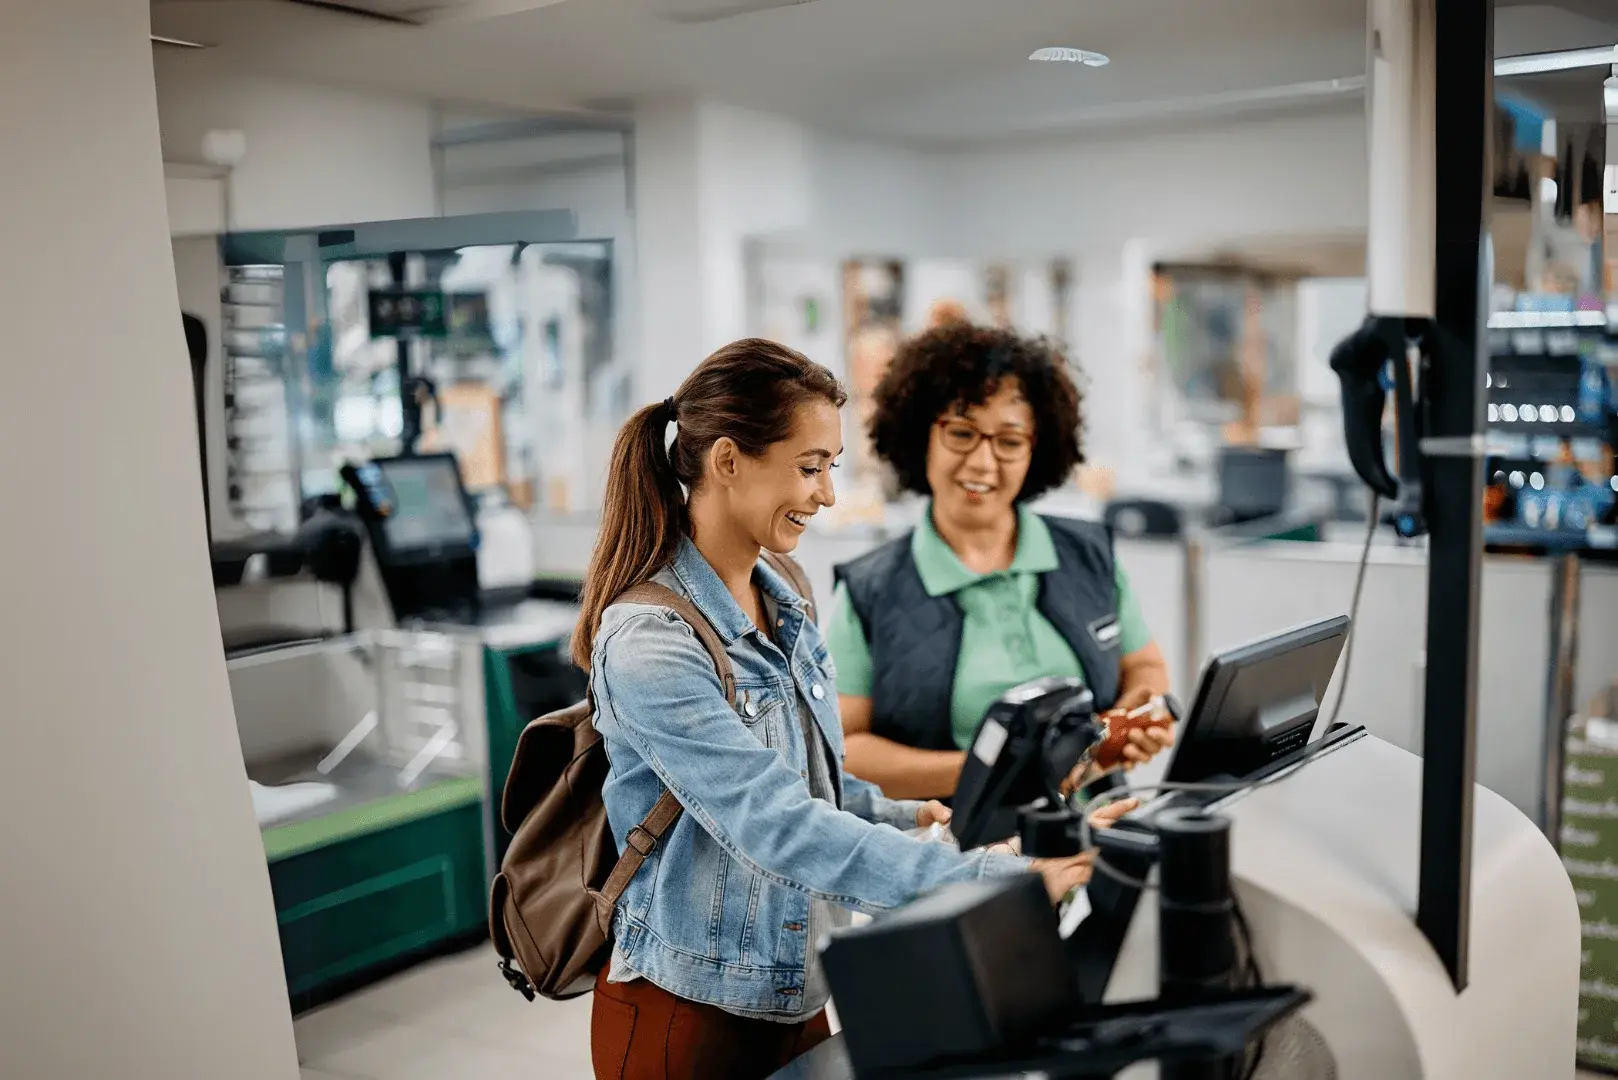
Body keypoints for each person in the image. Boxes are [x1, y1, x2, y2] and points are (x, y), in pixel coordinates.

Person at [576, 338, 1119, 1080]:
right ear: (728, 461)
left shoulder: (786, 590)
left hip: (802, 993)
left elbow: (812, 783)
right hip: (689, 1012)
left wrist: (911, 817)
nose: (827, 494)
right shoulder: (650, 643)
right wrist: (1001, 881)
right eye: (809, 468)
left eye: (830, 467)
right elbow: (776, 825)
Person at [826, 323, 1175, 802]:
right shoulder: (870, 592)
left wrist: (1137, 716)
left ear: (1038, 447)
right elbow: (845, 749)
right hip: (955, 858)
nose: (983, 463)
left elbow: (1144, 666)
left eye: (1009, 441)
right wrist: (995, 770)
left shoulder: (1088, 555)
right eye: (962, 433)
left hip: (1097, 841)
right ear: (920, 435)